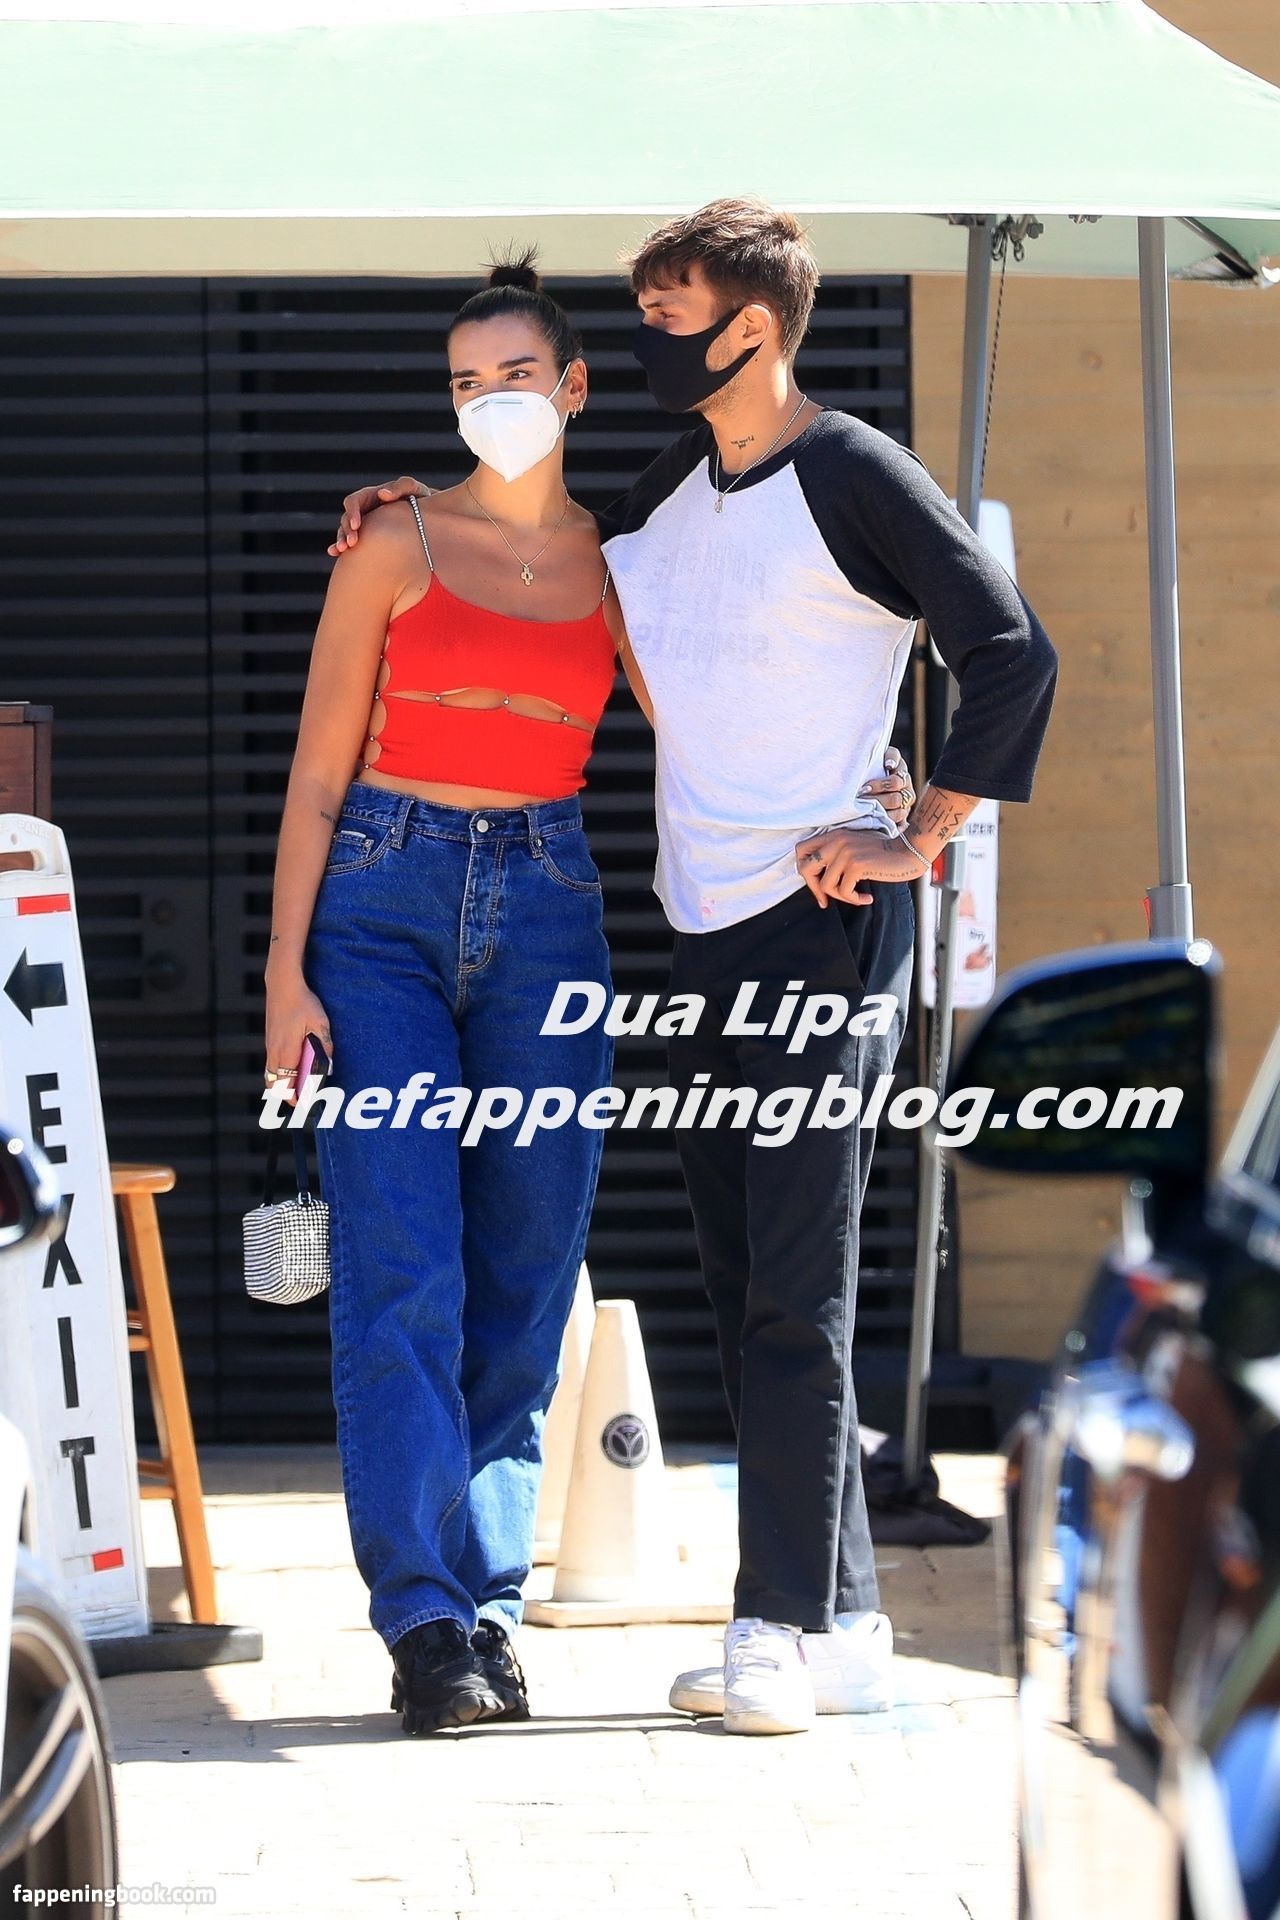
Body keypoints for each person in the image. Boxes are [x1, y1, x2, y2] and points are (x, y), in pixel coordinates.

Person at [330, 198, 1057, 1736]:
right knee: (743, 1283)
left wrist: (918, 829)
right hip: (700, 924)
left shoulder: (854, 472)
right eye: (645, 318)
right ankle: (844, 1618)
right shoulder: (675, 483)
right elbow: (549, 536)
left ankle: (772, 1626)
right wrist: (411, 503)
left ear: (755, 328)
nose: (652, 341)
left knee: (798, 1288)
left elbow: (1010, 650)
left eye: (672, 318)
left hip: (819, 924)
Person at [264, 256, 644, 1737]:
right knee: (405, 1262)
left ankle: (491, 1608)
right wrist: (285, 972)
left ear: (574, 387)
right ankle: (425, 1621)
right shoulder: (394, 540)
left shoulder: (624, 563)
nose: (491, 399)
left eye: (516, 375)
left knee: (530, 1269)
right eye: (465, 381)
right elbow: (315, 773)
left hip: (550, 907)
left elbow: (718, 715)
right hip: (379, 905)